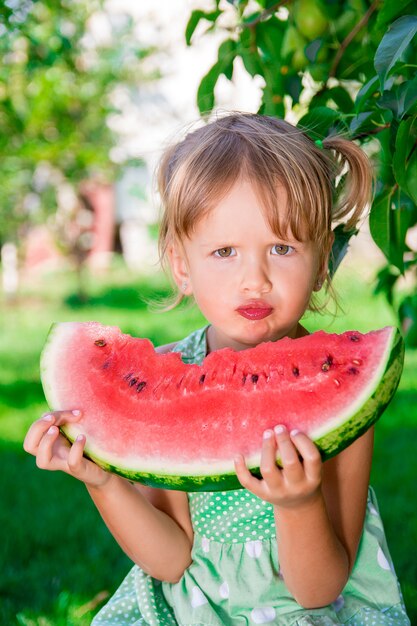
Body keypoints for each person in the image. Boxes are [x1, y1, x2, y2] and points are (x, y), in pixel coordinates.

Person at [24, 113, 410, 625]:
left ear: (322, 263)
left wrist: (299, 506)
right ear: (182, 266)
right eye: (225, 252)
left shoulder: (345, 395)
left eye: (282, 248)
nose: (255, 279)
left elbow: (320, 589)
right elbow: (171, 560)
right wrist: (104, 482)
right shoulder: (162, 388)